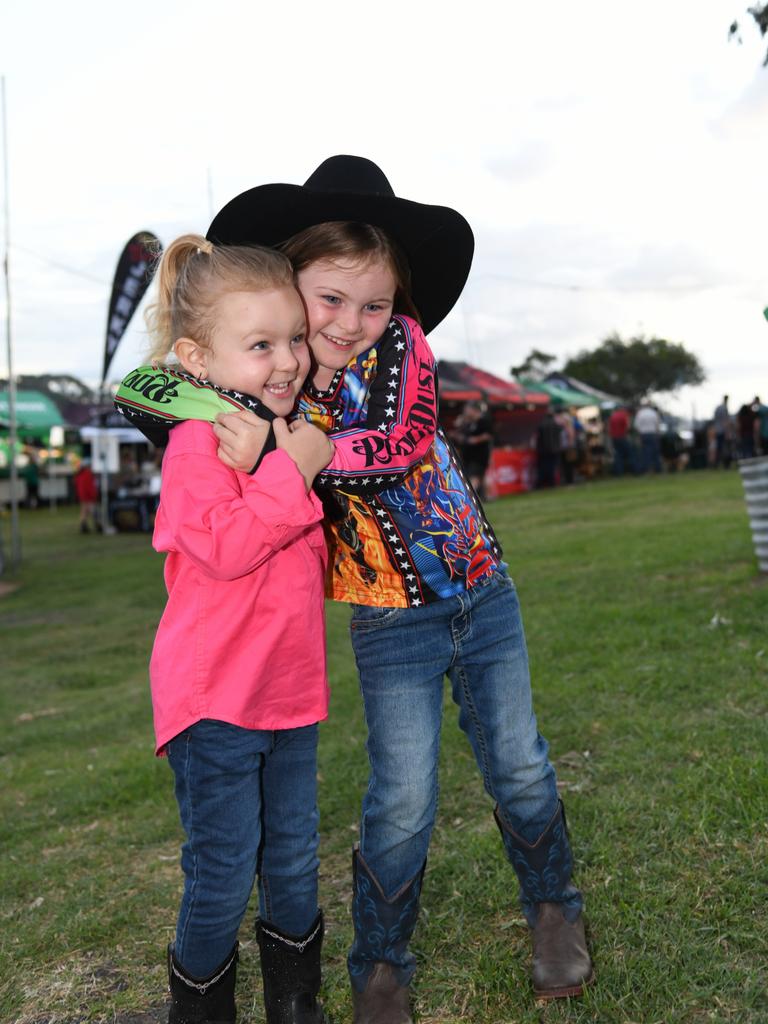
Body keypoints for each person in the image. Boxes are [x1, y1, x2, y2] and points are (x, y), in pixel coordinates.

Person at [207, 157, 593, 1021]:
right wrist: (207, 403)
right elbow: (157, 400)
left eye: (373, 302)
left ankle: (554, 908)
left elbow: (399, 443)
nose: (352, 321)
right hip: (388, 621)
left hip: (479, 592)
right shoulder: (270, 374)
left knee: (520, 762)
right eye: (330, 300)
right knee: (403, 794)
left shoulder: (403, 347)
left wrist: (291, 452)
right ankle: (380, 966)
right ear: (287, 285)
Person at [119, 235, 333, 1024]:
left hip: (289, 693)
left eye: (293, 339)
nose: (286, 362)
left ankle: (295, 1007)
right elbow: (226, 546)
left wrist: (287, 454)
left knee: (294, 861)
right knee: (224, 869)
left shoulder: (278, 431)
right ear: (197, 359)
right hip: (215, 703)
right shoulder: (195, 443)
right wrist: (291, 468)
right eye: (260, 346)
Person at [451, 399, 494, 496]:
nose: (465, 412)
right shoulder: (468, 423)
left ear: (474, 410)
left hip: (480, 455)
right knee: (480, 476)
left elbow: (488, 435)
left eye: (467, 409)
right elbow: (461, 435)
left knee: (474, 476)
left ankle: (469, 497)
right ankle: (488, 496)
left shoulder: (484, 421)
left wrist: (474, 440)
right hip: (468, 455)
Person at [535, 405, 561, 487]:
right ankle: (551, 482)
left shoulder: (541, 424)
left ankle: (543, 483)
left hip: (544, 450)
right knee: (552, 467)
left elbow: (538, 438)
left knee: (544, 467)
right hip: (554, 449)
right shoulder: (556, 424)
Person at [633, 402, 662, 474]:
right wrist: (658, 434)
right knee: (655, 452)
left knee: (645, 452)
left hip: (643, 435)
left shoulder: (640, 413)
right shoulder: (653, 413)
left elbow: (636, 426)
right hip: (653, 434)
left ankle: (646, 469)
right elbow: (657, 424)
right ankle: (657, 468)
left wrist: (639, 435)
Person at [607, 404, 634, 476]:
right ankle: (634, 470)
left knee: (618, 455)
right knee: (630, 454)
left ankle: (619, 472)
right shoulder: (624, 415)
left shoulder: (612, 416)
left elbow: (609, 428)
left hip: (614, 438)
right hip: (622, 437)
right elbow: (628, 427)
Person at [73, 457, 98, 532]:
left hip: (82, 494)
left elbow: (77, 484)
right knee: (92, 510)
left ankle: (84, 525)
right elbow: (89, 486)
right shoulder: (87, 474)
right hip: (87, 495)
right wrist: (93, 495)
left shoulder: (80, 474)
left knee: (84, 510)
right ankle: (97, 524)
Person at [712, 395, 732, 468]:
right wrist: (728, 432)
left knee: (718, 448)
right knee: (725, 449)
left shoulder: (718, 408)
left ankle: (716, 464)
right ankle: (725, 465)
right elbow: (725, 421)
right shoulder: (724, 408)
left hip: (717, 430)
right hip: (723, 431)